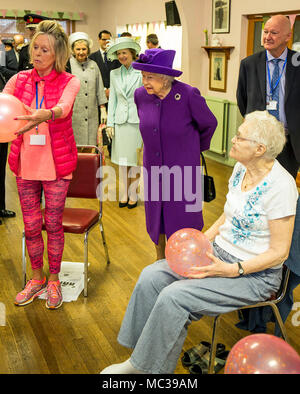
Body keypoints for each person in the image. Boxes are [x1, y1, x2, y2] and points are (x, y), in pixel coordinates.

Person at [100, 110, 298, 374]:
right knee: (151, 276)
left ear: (260, 148)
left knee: (175, 297)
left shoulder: (281, 186)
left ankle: (146, 369)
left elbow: (279, 253)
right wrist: (203, 240)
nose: (233, 139)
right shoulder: (241, 169)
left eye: (240, 137)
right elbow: (227, 216)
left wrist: (232, 269)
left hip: (253, 275)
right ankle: (140, 357)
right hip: (218, 254)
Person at [3, 20, 80, 309]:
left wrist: (47, 113)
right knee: (32, 225)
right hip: (25, 165)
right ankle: (36, 279)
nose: (36, 53)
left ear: (58, 54)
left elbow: (65, 106)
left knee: (54, 224)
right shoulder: (19, 79)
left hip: (57, 166)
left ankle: (55, 280)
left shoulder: (69, 80)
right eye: (35, 47)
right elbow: (4, 103)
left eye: (44, 49)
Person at [131, 48, 217, 259]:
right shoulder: (141, 96)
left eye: (150, 77)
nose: (145, 82)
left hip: (183, 170)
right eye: (143, 76)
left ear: (166, 78)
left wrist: (192, 150)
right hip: (153, 169)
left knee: (184, 220)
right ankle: (160, 264)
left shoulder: (188, 95)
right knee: (156, 220)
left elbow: (209, 124)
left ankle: (187, 267)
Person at [236, 14, 300, 179]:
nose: (267, 37)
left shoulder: (297, 62)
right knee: (255, 188)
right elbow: (242, 100)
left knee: (285, 190)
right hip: (257, 142)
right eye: (265, 32)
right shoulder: (248, 64)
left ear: (288, 36)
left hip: (290, 143)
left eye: (274, 33)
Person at [106, 36, 143, 209]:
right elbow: (112, 99)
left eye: (125, 53)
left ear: (132, 53)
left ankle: (134, 194)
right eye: (119, 53)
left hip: (136, 122)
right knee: (121, 161)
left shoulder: (141, 72)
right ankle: (123, 193)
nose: (122, 56)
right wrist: (110, 123)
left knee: (134, 161)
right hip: (120, 121)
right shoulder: (114, 73)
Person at [67, 32, 107, 145]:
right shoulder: (68, 65)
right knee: (75, 147)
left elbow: (99, 88)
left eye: (84, 49)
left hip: (92, 114)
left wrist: (103, 109)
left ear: (88, 50)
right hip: (74, 114)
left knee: (91, 146)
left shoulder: (93, 65)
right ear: (73, 50)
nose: (81, 52)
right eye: (78, 49)